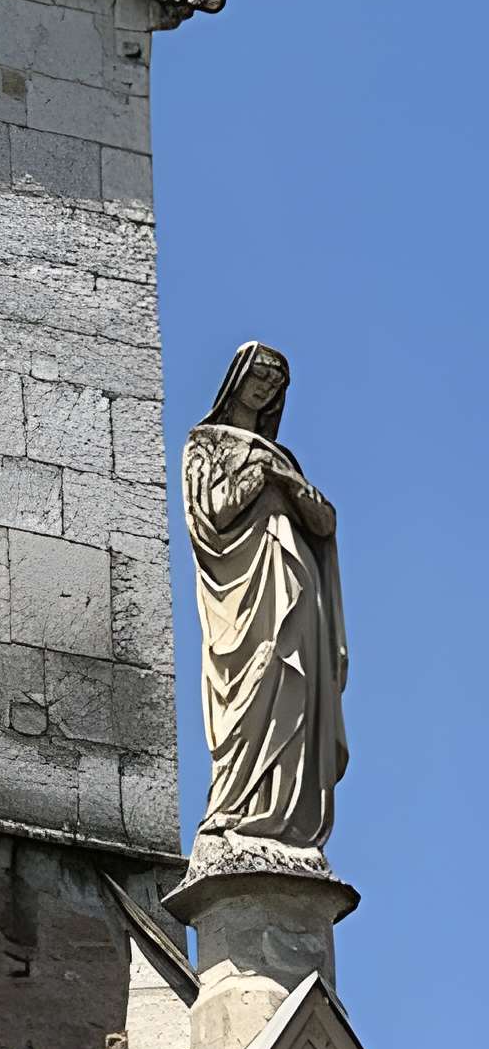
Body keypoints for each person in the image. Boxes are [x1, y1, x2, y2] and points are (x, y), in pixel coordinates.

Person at [181, 343, 349, 854]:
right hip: (243, 588)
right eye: (260, 375)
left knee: (292, 679)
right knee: (255, 679)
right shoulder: (206, 444)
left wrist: (290, 485)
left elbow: (324, 523)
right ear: (238, 378)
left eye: (276, 382)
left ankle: (284, 813)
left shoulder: (284, 460)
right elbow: (214, 512)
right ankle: (235, 805)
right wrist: (262, 475)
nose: (266, 387)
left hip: (294, 581)